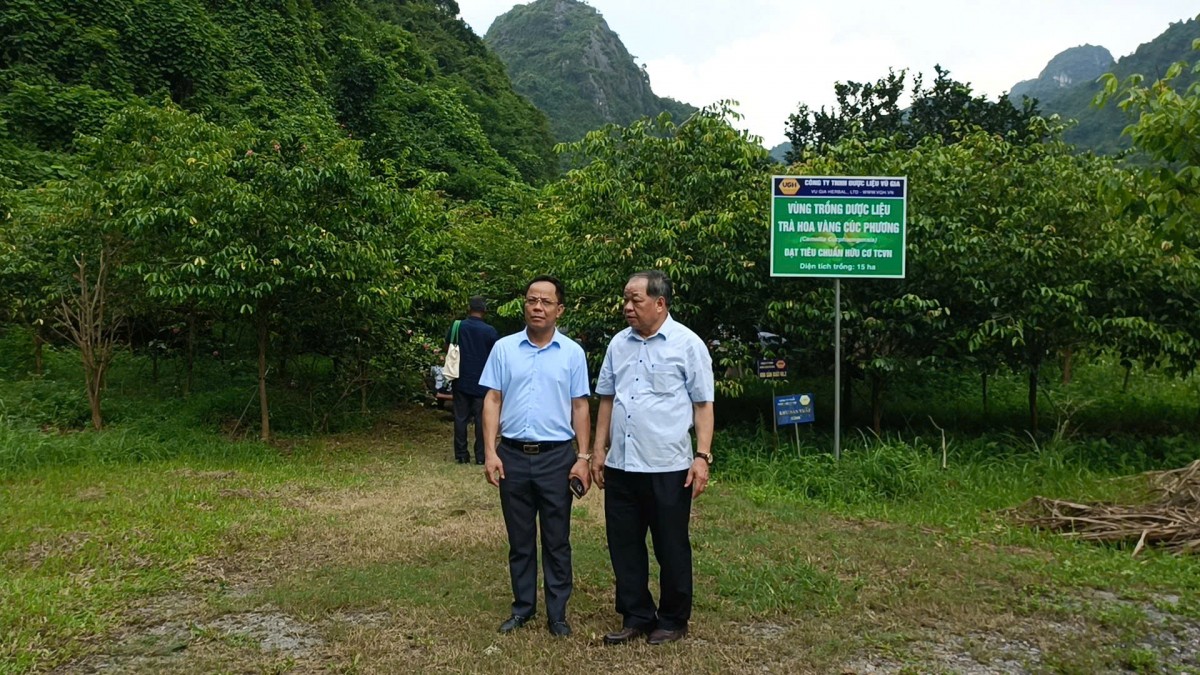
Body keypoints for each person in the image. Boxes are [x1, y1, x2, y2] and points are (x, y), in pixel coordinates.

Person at [590, 270, 714, 646]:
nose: (627, 307)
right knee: (624, 543)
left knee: (670, 544)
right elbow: (607, 399)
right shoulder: (618, 344)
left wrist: (702, 456)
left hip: (668, 465)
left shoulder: (687, 344)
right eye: (626, 299)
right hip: (622, 464)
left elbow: (703, 404)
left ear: (660, 303)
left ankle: (674, 618)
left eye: (635, 300)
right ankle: (637, 614)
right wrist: (598, 450)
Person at [480, 275, 592, 637]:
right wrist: (489, 452)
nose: (537, 307)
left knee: (557, 539)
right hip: (511, 455)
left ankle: (557, 614)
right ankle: (523, 607)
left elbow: (580, 406)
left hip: (557, 457)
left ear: (559, 309)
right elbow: (492, 399)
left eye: (546, 302)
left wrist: (583, 457)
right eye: (531, 300)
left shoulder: (572, 353)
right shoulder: (504, 349)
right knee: (520, 539)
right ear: (524, 305)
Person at [447, 296, 499, 464]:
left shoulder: (458, 326)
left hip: (460, 378)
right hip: (483, 382)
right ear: (484, 311)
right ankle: (481, 456)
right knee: (481, 419)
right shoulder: (490, 331)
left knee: (460, 417)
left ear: (468, 309)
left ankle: (461, 455)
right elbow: (496, 356)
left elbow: (448, 345)